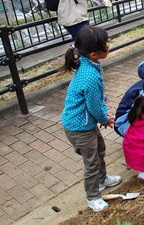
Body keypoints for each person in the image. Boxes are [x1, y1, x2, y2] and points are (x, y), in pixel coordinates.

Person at [60, 26, 121, 212]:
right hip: (78, 127)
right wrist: (105, 118)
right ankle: (93, 196)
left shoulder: (90, 65)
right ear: (94, 54)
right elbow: (94, 106)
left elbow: (96, 99)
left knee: (100, 149)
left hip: (85, 123)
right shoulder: (91, 76)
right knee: (91, 162)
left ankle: (102, 180)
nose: (108, 46)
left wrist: (104, 113)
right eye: (105, 44)